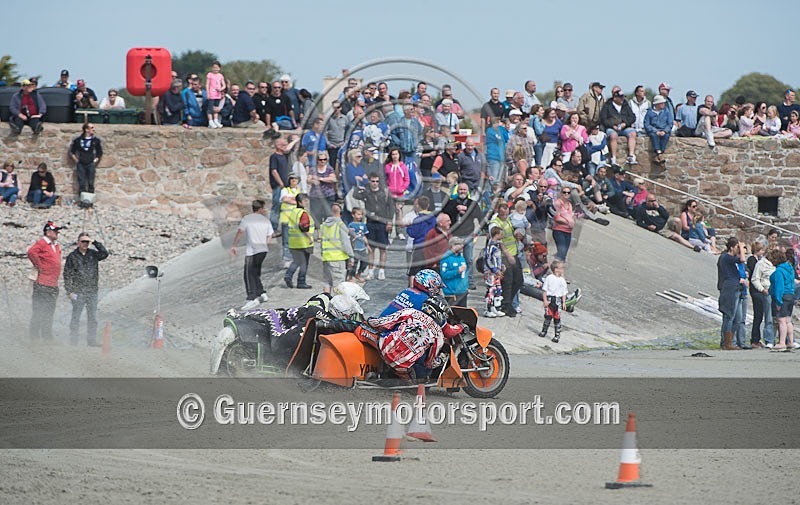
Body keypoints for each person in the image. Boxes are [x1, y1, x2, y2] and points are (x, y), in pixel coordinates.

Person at [357, 295, 463, 382]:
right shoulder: (439, 334)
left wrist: (369, 321)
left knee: (360, 329)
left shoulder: (410, 312)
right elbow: (429, 363)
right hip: (402, 367)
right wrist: (441, 359)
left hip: (383, 347)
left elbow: (382, 324)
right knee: (411, 384)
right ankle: (381, 377)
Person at [63, 232, 108, 346]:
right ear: (78, 242)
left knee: (92, 318)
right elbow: (67, 274)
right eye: (83, 241)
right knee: (76, 317)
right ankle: (74, 341)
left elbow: (105, 253)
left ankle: (91, 340)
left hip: (92, 291)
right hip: (78, 291)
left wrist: (95, 242)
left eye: (87, 242)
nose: (85, 244)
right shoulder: (72, 256)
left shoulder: (93, 254)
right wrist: (69, 291)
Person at [230, 199, 273, 311]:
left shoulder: (247, 219)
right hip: (263, 250)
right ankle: (262, 293)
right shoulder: (265, 220)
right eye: (263, 208)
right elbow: (270, 235)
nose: (264, 210)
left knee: (248, 275)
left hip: (252, 251)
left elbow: (240, 232)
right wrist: (266, 245)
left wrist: (234, 245)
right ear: (260, 209)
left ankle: (252, 298)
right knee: (255, 273)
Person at [442, 183, 483, 289]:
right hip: (454, 236)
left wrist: (466, 210)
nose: (462, 191)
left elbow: (479, 216)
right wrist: (456, 209)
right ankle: (453, 280)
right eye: (460, 189)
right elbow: (444, 213)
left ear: (468, 191)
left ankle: (469, 281)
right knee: (452, 258)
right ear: (457, 190)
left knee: (468, 259)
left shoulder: (472, 203)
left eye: (464, 189)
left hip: (468, 235)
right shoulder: (451, 202)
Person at [28, 221, 63, 340]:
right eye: (55, 231)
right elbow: (31, 252)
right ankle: (34, 336)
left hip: (53, 284)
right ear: (48, 232)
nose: (57, 232)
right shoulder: (42, 242)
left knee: (49, 312)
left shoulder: (55, 245)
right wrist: (39, 266)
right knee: (39, 311)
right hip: (42, 283)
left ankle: (47, 336)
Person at [355, 173, 393, 281]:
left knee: (383, 249)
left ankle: (381, 271)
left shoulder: (385, 192)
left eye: (377, 181)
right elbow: (355, 195)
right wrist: (358, 187)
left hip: (382, 222)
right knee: (370, 249)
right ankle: (370, 271)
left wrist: (390, 221)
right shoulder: (366, 192)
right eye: (373, 181)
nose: (375, 183)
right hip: (370, 222)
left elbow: (391, 207)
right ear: (369, 182)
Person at [635, 195, 700, 251]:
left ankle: (679, 234)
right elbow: (639, 222)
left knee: (677, 220)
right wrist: (647, 226)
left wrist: (658, 208)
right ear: (646, 201)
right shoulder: (641, 209)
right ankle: (692, 247)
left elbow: (666, 216)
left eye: (654, 200)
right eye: (651, 201)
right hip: (660, 228)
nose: (653, 203)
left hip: (667, 222)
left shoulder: (657, 206)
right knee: (677, 237)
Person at [717, 238, 746, 350]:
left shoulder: (730, 259)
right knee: (729, 316)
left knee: (737, 318)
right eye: (737, 248)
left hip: (736, 288)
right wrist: (741, 248)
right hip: (729, 289)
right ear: (732, 247)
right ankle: (726, 342)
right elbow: (742, 260)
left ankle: (730, 340)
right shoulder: (726, 257)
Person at [320, 203, 354, 294]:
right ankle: (337, 305)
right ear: (340, 213)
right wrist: (351, 257)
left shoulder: (323, 225)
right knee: (338, 284)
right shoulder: (340, 224)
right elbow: (346, 243)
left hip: (326, 258)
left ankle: (325, 302)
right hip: (338, 259)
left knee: (327, 282)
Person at [600, 87, 638, 165]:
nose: (622, 99)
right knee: (613, 136)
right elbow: (603, 119)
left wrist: (625, 123)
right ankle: (613, 157)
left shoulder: (625, 105)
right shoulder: (607, 105)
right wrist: (612, 125)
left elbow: (632, 117)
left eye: (623, 97)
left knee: (632, 133)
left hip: (624, 128)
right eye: (620, 97)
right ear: (615, 97)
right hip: (611, 128)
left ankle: (631, 155)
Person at [284, 193, 315, 290]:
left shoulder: (294, 212)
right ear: (300, 202)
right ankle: (301, 282)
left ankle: (288, 275)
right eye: (305, 200)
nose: (307, 202)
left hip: (293, 242)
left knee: (297, 261)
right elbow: (304, 227)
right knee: (304, 263)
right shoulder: (303, 213)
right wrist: (310, 238)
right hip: (304, 242)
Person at [748, 242, 775, 349]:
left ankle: (758, 339)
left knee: (761, 315)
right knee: (759, 315)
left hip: (761, 290)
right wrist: (762, 288)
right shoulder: (753, 261)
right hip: (757, 291)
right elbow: (754, 277)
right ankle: (755, 339)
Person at [768, 248, 796, 350]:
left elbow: (779, 287)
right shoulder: (789, 268)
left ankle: (782, 342)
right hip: (791, 295)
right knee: (788, 320)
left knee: (781, 320)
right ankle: (791, 341)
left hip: (783, 296)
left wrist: (778, 301)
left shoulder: (779, 271)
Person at [538, 259, 569, 343]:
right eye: (561, 268)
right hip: (549, 299)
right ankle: (544, 331)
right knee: (548, 316)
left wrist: (563, 302)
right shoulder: (549, 278)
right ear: (556, 269)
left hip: (557, 300)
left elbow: (564, 292)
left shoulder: (562, 280)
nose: (562, 270)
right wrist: (545, 300)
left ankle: (557, 335)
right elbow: (545, 290)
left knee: (557, 318)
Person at [69, 123, 103, 197]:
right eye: (91, 127)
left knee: (91, 182)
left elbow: (99, 152)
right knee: (82, 183)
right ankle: (83, 201)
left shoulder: (95, 140)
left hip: (90, 163)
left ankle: (90, 201)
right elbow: (72, 151)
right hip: (81, 163)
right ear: (86, 129)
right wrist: (76, 160)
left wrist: (95, 160)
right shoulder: (78, 140)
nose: (93, 129)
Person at [482, 226, 506, 318]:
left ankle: (495, 308)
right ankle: (488, 309)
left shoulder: (497, 245)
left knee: (497, 289)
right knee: (491, 290)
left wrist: (501, 266)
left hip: (496, 272)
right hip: (490, 273)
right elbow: (488, 260)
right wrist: (495, 270)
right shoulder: (490, 246)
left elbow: (497, 259)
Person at [644, 95, 674, 164]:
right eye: (662, 103)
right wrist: (655, 131)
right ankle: (658, 153)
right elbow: (647, 124)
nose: (663, 104)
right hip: (654, 130)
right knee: (653, 136)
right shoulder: (649, 112)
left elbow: (670, 124)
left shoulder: (667, 112)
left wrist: (665, 131)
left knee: (666, 136)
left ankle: (660, 153)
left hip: (663, 130)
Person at [440, 237, 468, 307]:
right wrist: (457, 271)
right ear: (453, 246)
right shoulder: (446, 258)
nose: (462, 246)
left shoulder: (461, 257)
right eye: (459, 244)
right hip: (451, 293)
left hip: (462, 292)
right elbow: (444, 274)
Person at [551, 186, 575, 261]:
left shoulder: (570, 204)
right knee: (561, 252)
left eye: (568, 192)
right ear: (561, 193)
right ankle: (555, 267)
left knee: (564, 255)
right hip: (559, 230)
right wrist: (568, 222)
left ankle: (559, 269)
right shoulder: (557, 203)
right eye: (564, 192)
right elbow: (556, 217)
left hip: (568, 232)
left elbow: (571, 216)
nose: (566, 194)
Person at [347, 207, 370, 282]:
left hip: (362, 247)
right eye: (358, 214)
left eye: (361, 214)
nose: (360, 216)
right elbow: (349, 236)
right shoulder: (351, 225)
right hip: (355, 248)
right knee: (354, 263)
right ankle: (351, 276)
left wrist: (367, 245)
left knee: (365, 262)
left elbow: (364, 236)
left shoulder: (363, 225)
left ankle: (359, 274)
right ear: (353, 215)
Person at [204, 61, 226, 128]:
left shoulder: (220, 76)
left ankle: (216, 120)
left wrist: (221, 89)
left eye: (217, 67)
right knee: (210, 109)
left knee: (216, 108)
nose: (215, 69)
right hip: (211, 94)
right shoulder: (210, 75)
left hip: (218, 94)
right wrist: (208, 93)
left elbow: (224, 85)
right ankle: (210, 121)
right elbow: (207, 84)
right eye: (214, 67)